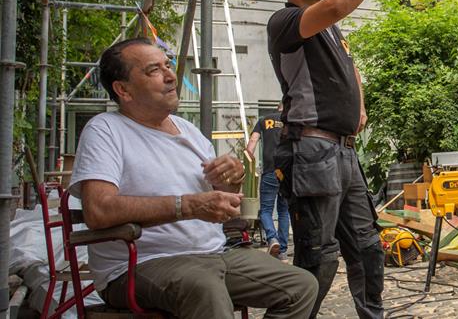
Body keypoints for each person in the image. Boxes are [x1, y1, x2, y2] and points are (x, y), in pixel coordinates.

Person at [69, 38, 318, 319]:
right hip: (139, 265)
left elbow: (223, 203)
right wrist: (188, 205)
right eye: (153, 70)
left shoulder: (189, 131)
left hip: (214, 254)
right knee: (204, 288)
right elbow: (98, 211)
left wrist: (231, 181)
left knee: (301, 286)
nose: (171, 75)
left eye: (168, 65)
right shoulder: (105, 130)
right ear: (123, 89)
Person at [267, 0, 432, 319]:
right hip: (311, 150)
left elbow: (349, 63)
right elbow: (339, 4)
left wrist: (358, 104)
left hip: (341, 152)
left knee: (367, 248)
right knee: (318, 258)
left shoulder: (330, 30)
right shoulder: (286, 22)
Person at [246, 104, 290, 260]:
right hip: (286, 171)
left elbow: (253, 141)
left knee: (266, 210)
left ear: (277, 107)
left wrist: (248, 165)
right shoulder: (290, 120)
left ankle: (272, 238)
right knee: (284, 211)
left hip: (270, 170)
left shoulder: (264, 120)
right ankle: (283, 251)